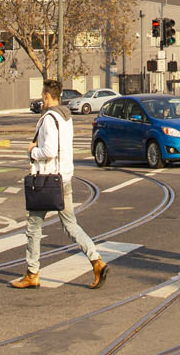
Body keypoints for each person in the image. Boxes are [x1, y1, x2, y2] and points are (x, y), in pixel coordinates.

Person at [10, 79, 109, 290]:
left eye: (42, 95)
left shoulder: (48, 119)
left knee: (33, 227)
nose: (42, 99)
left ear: (47, 96)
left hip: (47, 180)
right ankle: (96, 260)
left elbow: (48, 152)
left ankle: (32, 273)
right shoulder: (66, 118)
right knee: (70, 224)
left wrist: (31, 150)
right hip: (63, 178)